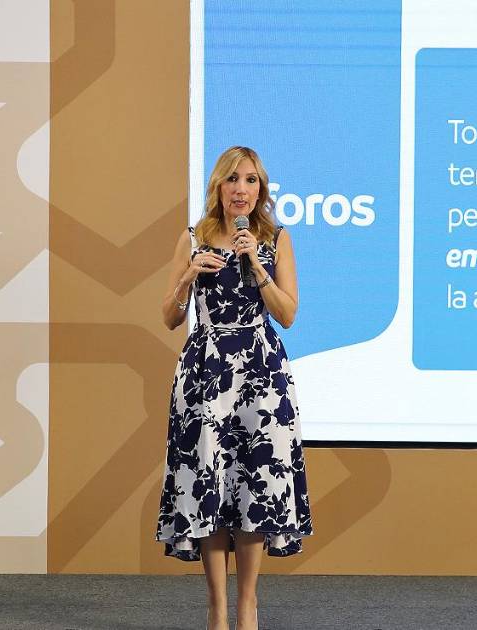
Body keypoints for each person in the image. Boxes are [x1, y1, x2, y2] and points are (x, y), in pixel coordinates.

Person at [156, 146, 312, 630]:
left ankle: (247, 606)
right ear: (218, 187)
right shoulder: (193, 238)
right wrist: (187, 277)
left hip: (261, 378)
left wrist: (258, 268)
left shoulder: (276, 239)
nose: (241, 189)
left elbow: (288, 314)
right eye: (232, 179)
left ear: (260, 190)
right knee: (209, 482)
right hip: (206, 374)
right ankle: (216, 609)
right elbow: (169, 317)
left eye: (250, 180)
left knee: (254, 484)